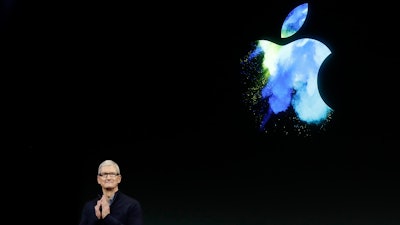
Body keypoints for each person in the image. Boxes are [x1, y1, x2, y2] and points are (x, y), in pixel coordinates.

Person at [78, 159, 143, 225]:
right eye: (104, 174)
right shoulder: (89, 207)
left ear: (119, 179)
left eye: (112, 174)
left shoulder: (132, 205)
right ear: (98, 179)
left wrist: (106, 217)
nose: (108, 178)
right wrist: (96, 218)